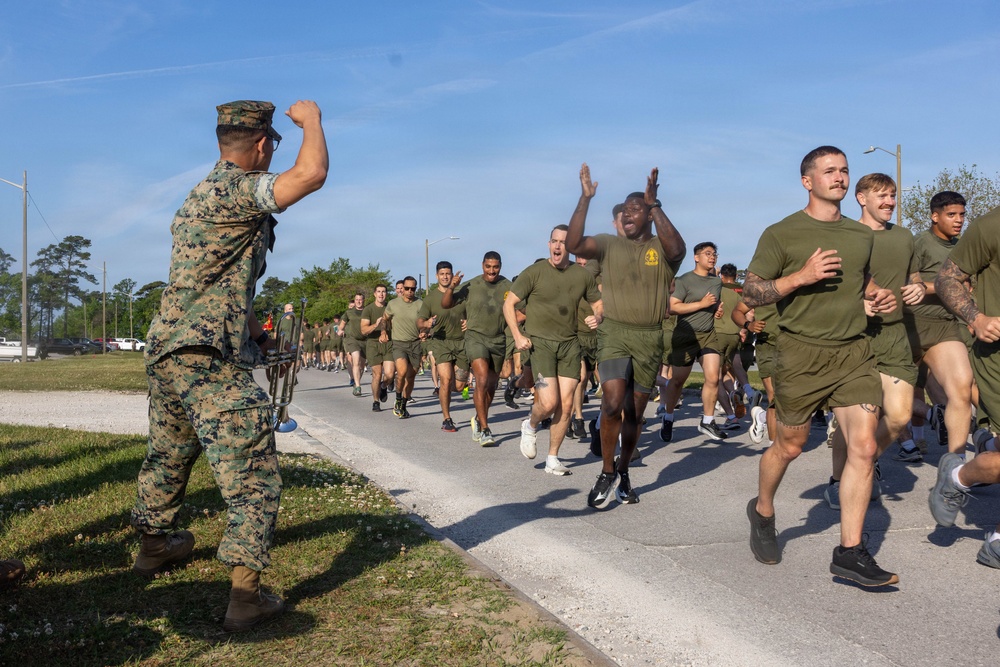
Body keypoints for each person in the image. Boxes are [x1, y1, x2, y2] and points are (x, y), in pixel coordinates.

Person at [131, 99, 328, 631]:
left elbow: (214, 283)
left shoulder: (202, 195)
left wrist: (255, 339)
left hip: (172, 348)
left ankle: (154, 548)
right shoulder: (237, 189)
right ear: (262, 144)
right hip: (203, 359)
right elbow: (310, 175)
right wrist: (312, 120)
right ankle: (245, 598)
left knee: (169, 454)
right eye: (272, 145)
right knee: (251, 471)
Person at [742, 146, 898, 587]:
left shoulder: (861, 235)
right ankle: (763, 510)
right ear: (807, 181)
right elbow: (751, 293)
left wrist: (875, 295)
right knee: (789, 446)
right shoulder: (782, 233)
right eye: (829, 170)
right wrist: (800, 278)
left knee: (864, 448)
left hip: (853, 353)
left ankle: (849, 551)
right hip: (801, 354)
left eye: (845, 170)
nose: (840, 177)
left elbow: (861, 280)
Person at [566, 164, 686, 508]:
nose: (627, 215)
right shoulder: (608, 245)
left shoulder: (662, 250)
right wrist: (585, 199)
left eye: (636, 209)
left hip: (650, 339)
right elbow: (575, 242)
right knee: (612, 403)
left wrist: (656, 204)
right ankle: (606, 470)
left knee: (634, 414)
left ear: (648, 214)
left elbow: (678, 250)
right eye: (625, 211)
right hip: (615, 334)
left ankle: (624, 470)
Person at [824, 173, 924, 509]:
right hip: (856, 337)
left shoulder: (905, 237)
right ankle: (840, 481)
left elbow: (913, 277)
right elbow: (831, 289)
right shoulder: (846, 235)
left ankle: (863, 462)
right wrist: (859, 304)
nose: (889, 202)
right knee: (852, 422)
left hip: (895, 335)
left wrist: (918, 288)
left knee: (898, 416)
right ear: (861, 198)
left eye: (892, 195)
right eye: (881, 195)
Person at [931, 204, 1000, 567]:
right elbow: (947, 278)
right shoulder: (991, 226)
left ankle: (959, 477)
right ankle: (958, 476)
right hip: (998, 355)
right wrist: (976, 317)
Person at [505, 225, 602, 475]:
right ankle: (530, 424)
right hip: (541, 344)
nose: (558, 246)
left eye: (564, 242)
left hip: (570, 343)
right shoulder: (535, 272)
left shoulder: (581, 275)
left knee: (567, 405)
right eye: (554, 241)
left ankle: (552, 458)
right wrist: (517, 335)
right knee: (548, 403)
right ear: (549, 244)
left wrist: (598, 316)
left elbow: (598, 303)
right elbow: (509, 304)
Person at [904, 191, 973, 454]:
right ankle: (877, 454)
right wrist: (943, 286)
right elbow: (909, 283)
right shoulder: (920, 242)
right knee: (892, 395)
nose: (958, 220)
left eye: (962, 215)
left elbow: (969, 286)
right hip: (913, 324)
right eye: (951, 214)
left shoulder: (962, 246)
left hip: (946, 325)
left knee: (962, 388)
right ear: (935, 216)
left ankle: (956, 463)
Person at [659, 242, 730, 441]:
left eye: (714, 254)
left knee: (713, 377)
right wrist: (701, 304)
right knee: (677, 381)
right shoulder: (684, 280)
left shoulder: (716, 282)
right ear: (696, 257)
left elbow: (713, 304)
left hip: (708, 334)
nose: (712, 257)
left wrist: (716, 309)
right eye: (707, 253)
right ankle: (668, 415)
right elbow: (673, 307)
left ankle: (707, 421)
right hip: (685, 335)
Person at [442, 252, 513, 445]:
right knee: (480, 379)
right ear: (482, 265)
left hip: (498, 340)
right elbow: (446, 304)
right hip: (475, 338)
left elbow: (521, 310)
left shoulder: (508, 286)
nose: (492, 271)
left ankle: (479, 419)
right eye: (488, 266)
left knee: (491, 386)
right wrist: (451, 288)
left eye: (495, 267)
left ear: (500, 266)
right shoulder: (471, 285)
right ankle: (485, 428)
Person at [417, 262, 469, 433]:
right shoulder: (431, 298)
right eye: (442, 273)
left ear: (452, 275)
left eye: (448, 273)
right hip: (441, 342)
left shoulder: (462, 295)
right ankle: (447, 418)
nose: (445, 276)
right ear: (436, 276)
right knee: (445, 380)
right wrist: (427, 323)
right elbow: (420, 321)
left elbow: (472, 313)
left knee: (460, 387)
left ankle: (446, 391)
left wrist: (469, 322)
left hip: (461, 343)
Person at [384, 276, 425, 418]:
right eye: (406, 288)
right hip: (399, 343)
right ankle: (398, 398)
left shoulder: (420, 304)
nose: (409, 291)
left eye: (412, 289)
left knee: (411, 376)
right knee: (401, 372)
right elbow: (385, 319)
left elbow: (425, 322)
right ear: (402, 288)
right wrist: (384, 331)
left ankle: (404, 404)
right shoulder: (393, 303)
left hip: (415, 344)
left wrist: (425, 332)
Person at [361, 284, 394, 412]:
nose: (381, 294)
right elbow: (363, 330)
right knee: (377, 374)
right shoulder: (368, 309)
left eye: (384, 292)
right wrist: (376, 324)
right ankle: (375, 401)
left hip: (388, 343)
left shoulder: (390, 309)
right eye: (379, 292)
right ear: (374, 294)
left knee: (390, 374)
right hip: (373, 344)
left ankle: (384, 386)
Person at [339, 292, 367, 396]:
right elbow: (341, 325)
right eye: (357, 300)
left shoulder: (367, 311)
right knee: (356, 361)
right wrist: (340, 330)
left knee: (362, 365)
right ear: (354, 301)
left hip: (365, 340)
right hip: (352, 339)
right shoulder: (349, 312)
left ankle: (356, 382)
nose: (359, 301)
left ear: (364, 300)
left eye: (360, 299)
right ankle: (358, 386)